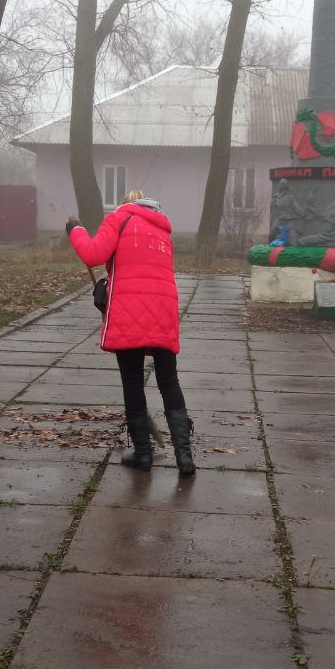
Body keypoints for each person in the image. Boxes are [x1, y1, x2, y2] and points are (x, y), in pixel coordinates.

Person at [65, 191, 195, 475]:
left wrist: (75, 230)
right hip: (164, 308)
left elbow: (92, 254)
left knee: (133, 381)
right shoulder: (162, 228)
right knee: (169, 380)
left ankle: (143, 454)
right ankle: (185, 457)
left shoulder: (119, 219)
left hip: (129, 309)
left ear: (126, 203)